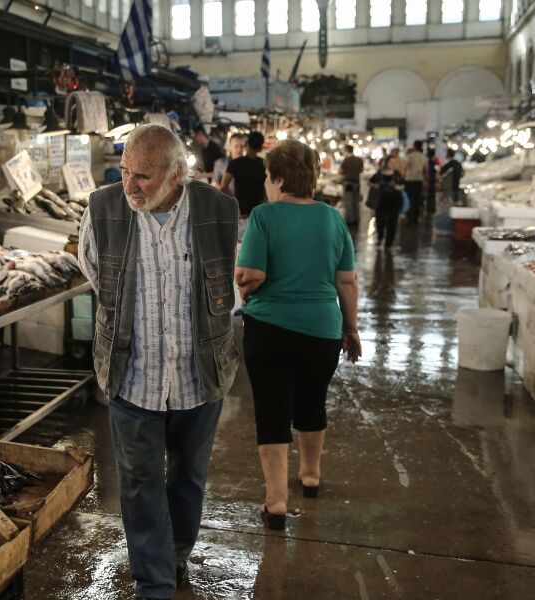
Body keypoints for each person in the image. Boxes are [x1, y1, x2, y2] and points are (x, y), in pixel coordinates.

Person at [78, 123, 240, 600]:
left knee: (189, 478)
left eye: (143, 177)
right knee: (139, 481)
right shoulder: (103, 209)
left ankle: (176, 554)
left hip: (199, 377)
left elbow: (233, 282)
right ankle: (155, 581)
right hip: (133, 377)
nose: (129, 185)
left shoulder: (219, 211)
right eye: (125, 171)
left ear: (176, 175)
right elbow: (94, 269)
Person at [234, 139, 361, 530]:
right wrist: (350, 328)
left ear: (278, 178)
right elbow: (348, 281)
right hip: (322, 331)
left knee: (272, 413)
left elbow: (250, 276)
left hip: (270, 330)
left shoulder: (263, 216)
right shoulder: (332, 218)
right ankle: (310, 477)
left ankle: (275, 502)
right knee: (312, 402)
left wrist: (244, 283)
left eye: (269, 177)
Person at [220, 131, 266, 217]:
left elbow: (223, 187)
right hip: (260, 212)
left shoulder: (235, 163)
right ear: (260, 148)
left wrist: (234, 201)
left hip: (241, 212)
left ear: (246, 144)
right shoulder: (264, 164)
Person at [370, 161, 405, 248]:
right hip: (381, 201)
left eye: (393, 162)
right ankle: (380, 237)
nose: (392, 164)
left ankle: (389, 242)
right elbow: (370, 182)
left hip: (394, 201)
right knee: (380, 221)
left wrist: (399, 187)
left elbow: (403, 185)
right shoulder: (379, 174)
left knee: (393, 222)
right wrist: (376, 186)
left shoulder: (397, 174)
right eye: (390, 162)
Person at [339, 144, 364, 226]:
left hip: (348, 183)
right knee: (356, 202)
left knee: (348, 202)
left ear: (346, 150)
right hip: (357, 183)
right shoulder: (359, 160)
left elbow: (340, 171)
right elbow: (361, 170)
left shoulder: (346, 160)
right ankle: (356, 219)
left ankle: (350, 221)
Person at [403, 140, 427, 224]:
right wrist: (425, 181)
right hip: (419, 181)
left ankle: (409, 217)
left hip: (409, 180)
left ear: (414, 146)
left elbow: (405, 168)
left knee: (409, 199)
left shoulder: (410, 156)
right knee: (417, 200)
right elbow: (425, 170)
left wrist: (402, 178)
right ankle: (415, 218)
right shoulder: (423, 157)